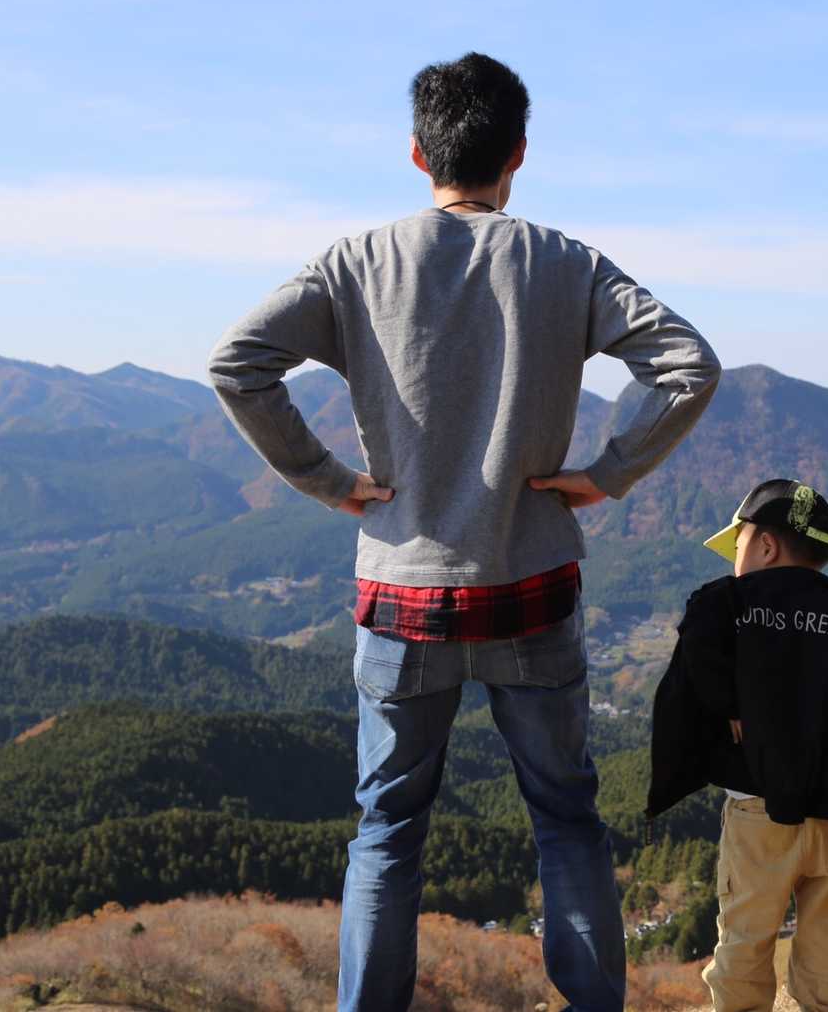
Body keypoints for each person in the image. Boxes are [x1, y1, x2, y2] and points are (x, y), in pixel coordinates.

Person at [207, 52, 721, 1012]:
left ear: (417, 152)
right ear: (519, 152)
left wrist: (329, 483)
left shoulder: (357, 264)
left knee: (386, 831)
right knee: (566, 819)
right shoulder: (563, 262)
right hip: (532, 586)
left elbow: (237, 364)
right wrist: (607, 473)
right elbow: (690, 365)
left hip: (402, 592)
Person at [647, 479, 828, 1012]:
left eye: (739, 543)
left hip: (756, 810)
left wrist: (730, 703)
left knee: (745, 943)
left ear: (766, 545)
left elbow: (697, 645)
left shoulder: (727, 602)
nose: (735, 558)